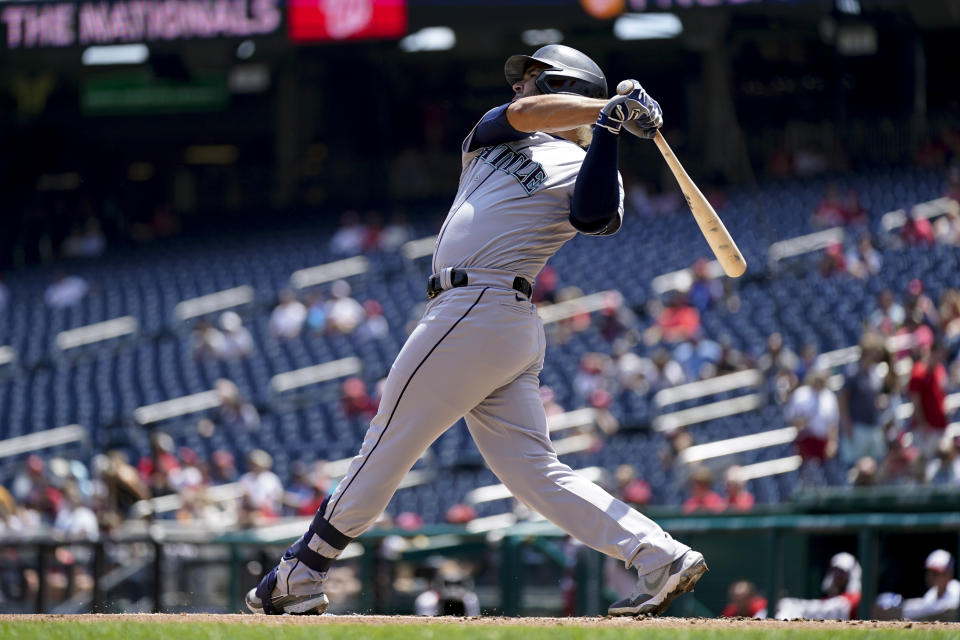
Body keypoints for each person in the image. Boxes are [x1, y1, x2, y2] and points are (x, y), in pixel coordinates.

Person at [246, 44, 705, 617]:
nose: (518, 88)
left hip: (481, 305)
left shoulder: (596, 166)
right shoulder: (498, 133)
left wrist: (608, 127)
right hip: (488, 318)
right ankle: (658, 555)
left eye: (532, 79)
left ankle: (301, 571)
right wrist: (606, 109)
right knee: (532, 472)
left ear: (566, 84)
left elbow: (592, 216)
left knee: (389, 438)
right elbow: (528, 115)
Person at [874, 550, 960, 622]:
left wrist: (907, 609)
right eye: (929, 572)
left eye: (936, 573)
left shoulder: (956, 589)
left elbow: (948, 610)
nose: (931, 576)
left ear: (949, 574)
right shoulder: (931, 593)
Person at [775, 552, 862, 620]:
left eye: (842, 571)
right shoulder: (827, 599)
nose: (837, 575)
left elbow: (830, 608)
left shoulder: (855, 598)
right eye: (835, 570)